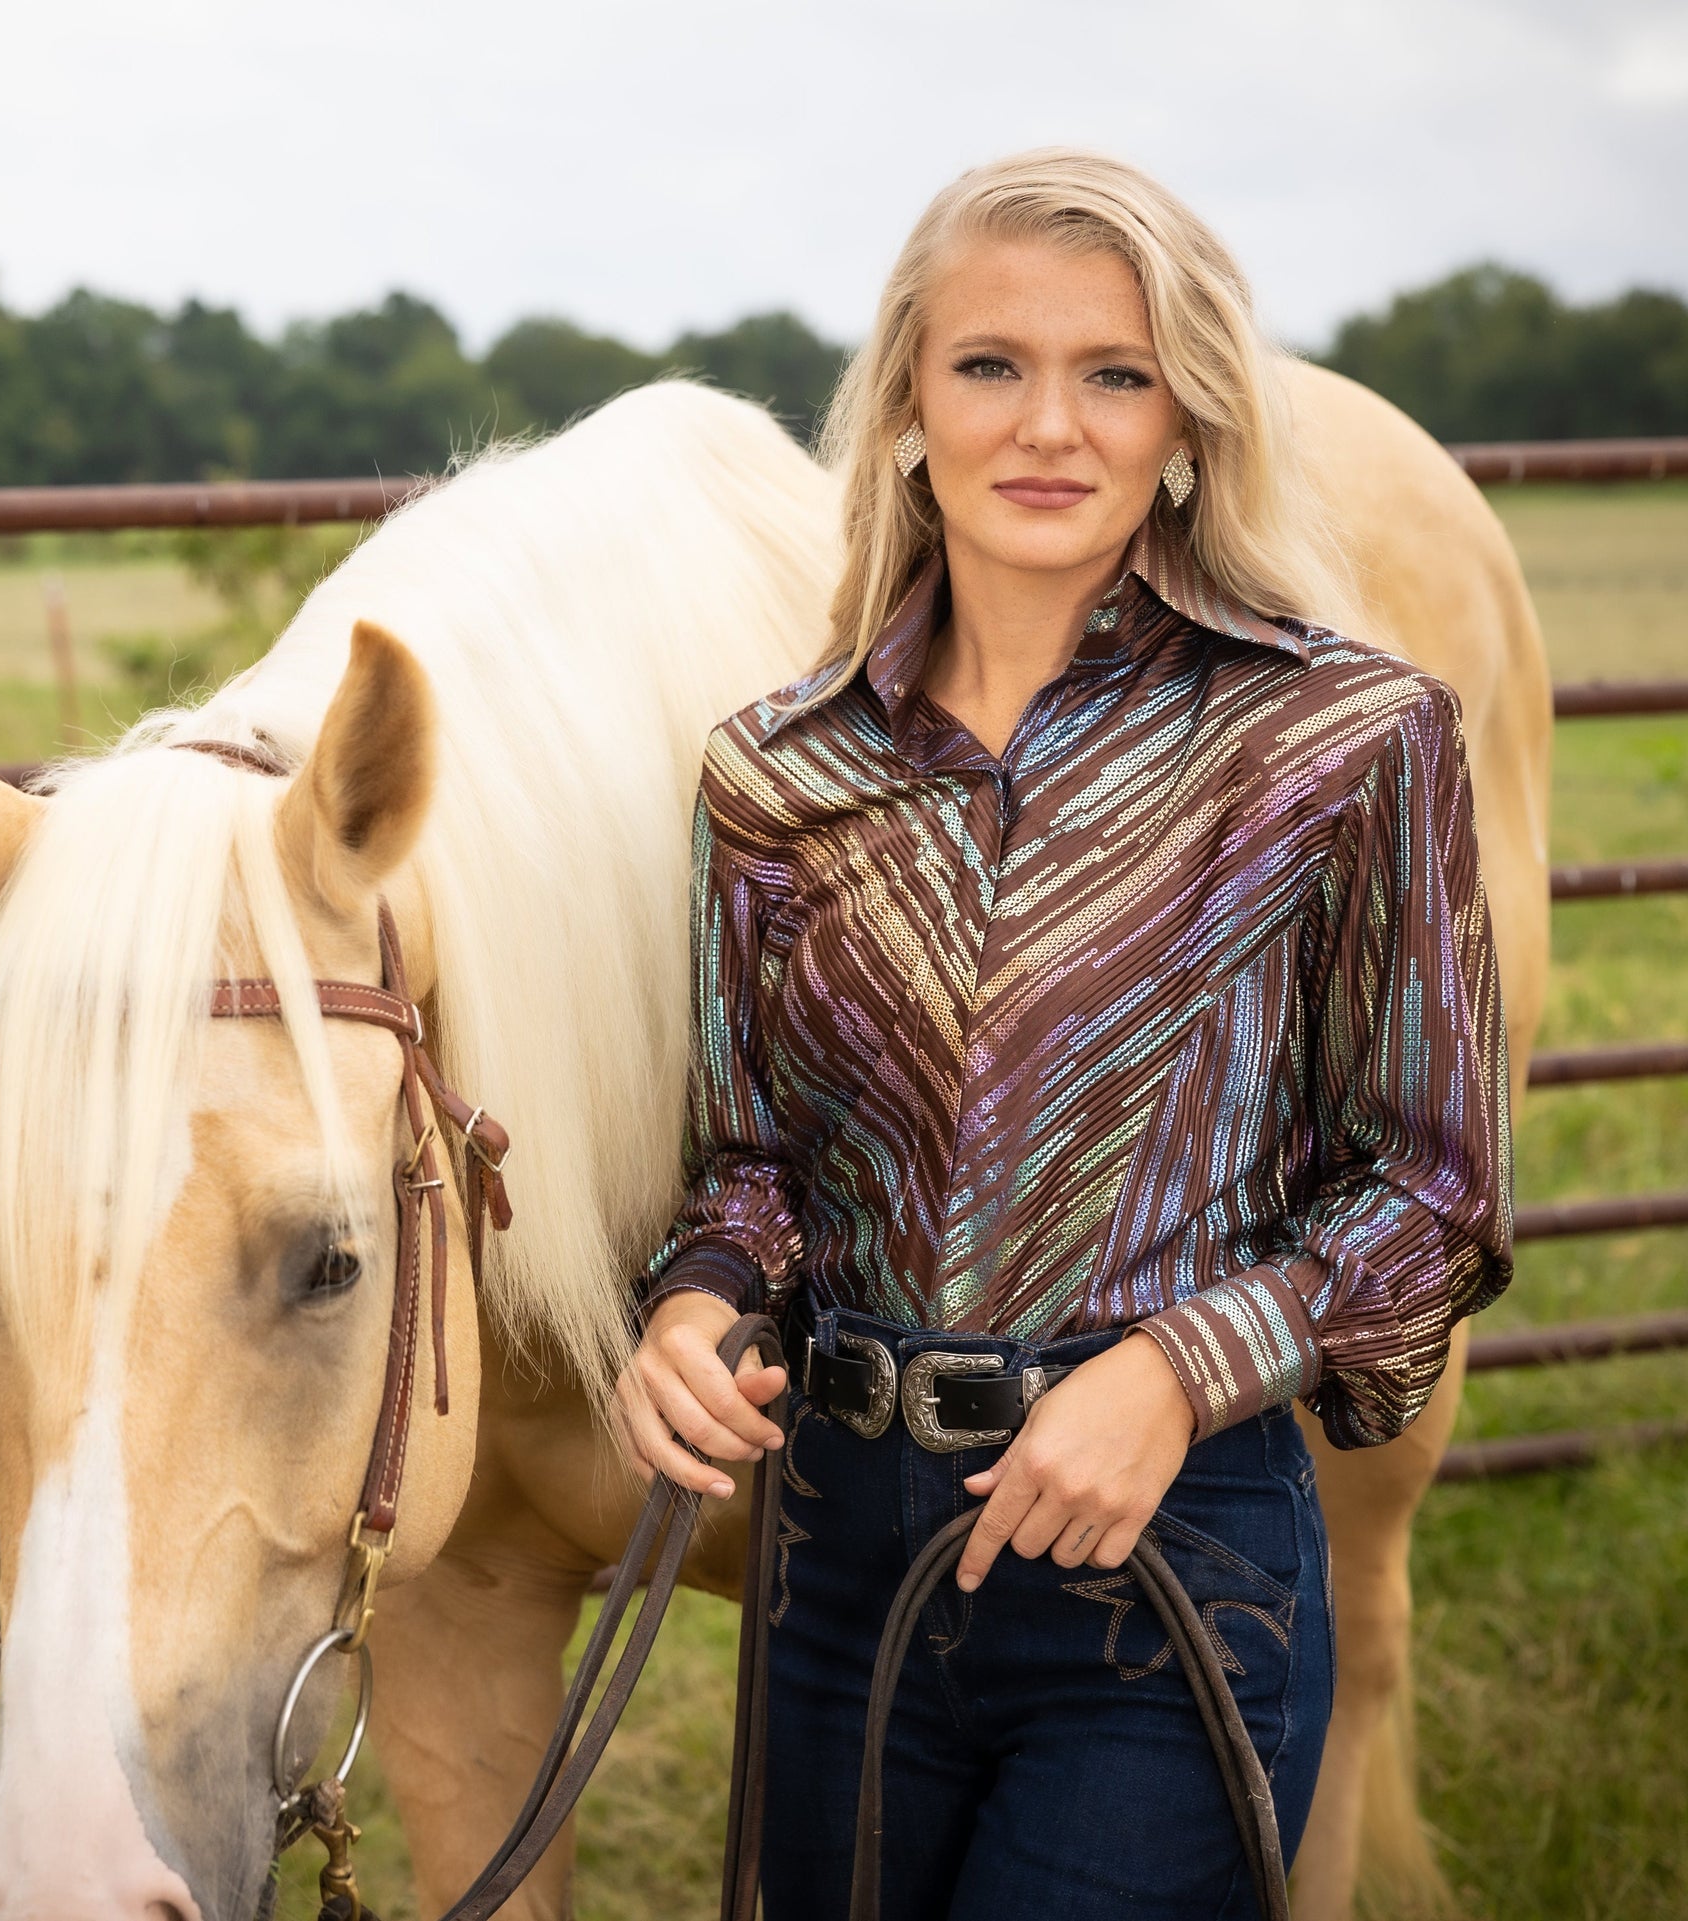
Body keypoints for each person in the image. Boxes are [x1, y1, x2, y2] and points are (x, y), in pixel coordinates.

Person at [611, 148, 1512, 1920]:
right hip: (838, 1573)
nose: (1051, 426)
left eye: (1115, 372)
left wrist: (1174, 1371)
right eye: (991, 366)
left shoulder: (1345, 741)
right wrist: (696, 1304)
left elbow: (1434, 1189)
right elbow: (751, 1172)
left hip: (1165, 1564)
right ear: (904, 407)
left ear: (1187, 420)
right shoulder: (776, 774)